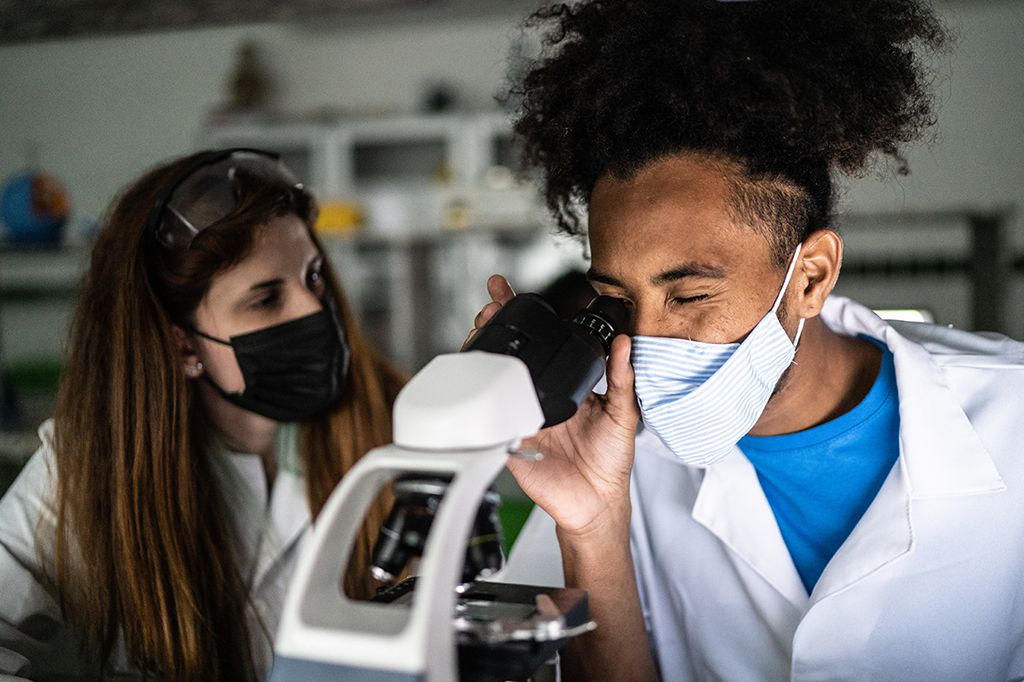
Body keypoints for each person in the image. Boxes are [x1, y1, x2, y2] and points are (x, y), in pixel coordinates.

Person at [476, 1, 1024, 680]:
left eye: (691, 295)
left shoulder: (1015, 418)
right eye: (618, 300)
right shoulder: (614, 461)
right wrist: (592, 527)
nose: (644, 340)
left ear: (811, 278)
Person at [0, 149, 406, 681]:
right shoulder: (87, 466)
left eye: (312, 277)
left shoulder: (392, 415)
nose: (313, 310)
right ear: (183, 345)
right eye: (266, 299)